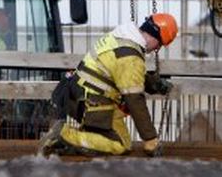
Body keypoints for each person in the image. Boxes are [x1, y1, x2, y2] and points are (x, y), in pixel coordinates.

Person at [41, 12, 178, 157]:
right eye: (160, 44)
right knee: (120, 145)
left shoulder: (121, 38)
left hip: (78, 94)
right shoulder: (130, 57)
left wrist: (154, 84)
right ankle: (63, 135)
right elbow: (134, 100)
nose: (157, 49)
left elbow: (122, 72)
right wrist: (150, 140)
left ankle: (73, 140)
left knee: (118, 137)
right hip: (92, 102)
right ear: (156, 37)